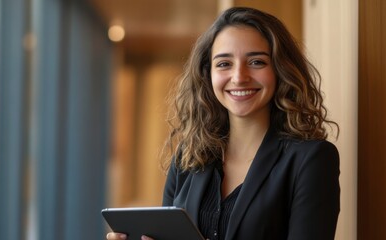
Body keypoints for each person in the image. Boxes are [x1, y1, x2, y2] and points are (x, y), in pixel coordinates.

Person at [106, 6, 340, 240]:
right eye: (224, 64)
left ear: (280, 69)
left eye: (257, 62)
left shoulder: (312, 159)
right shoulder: (188, 158)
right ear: (208, 75)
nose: (239, 77)